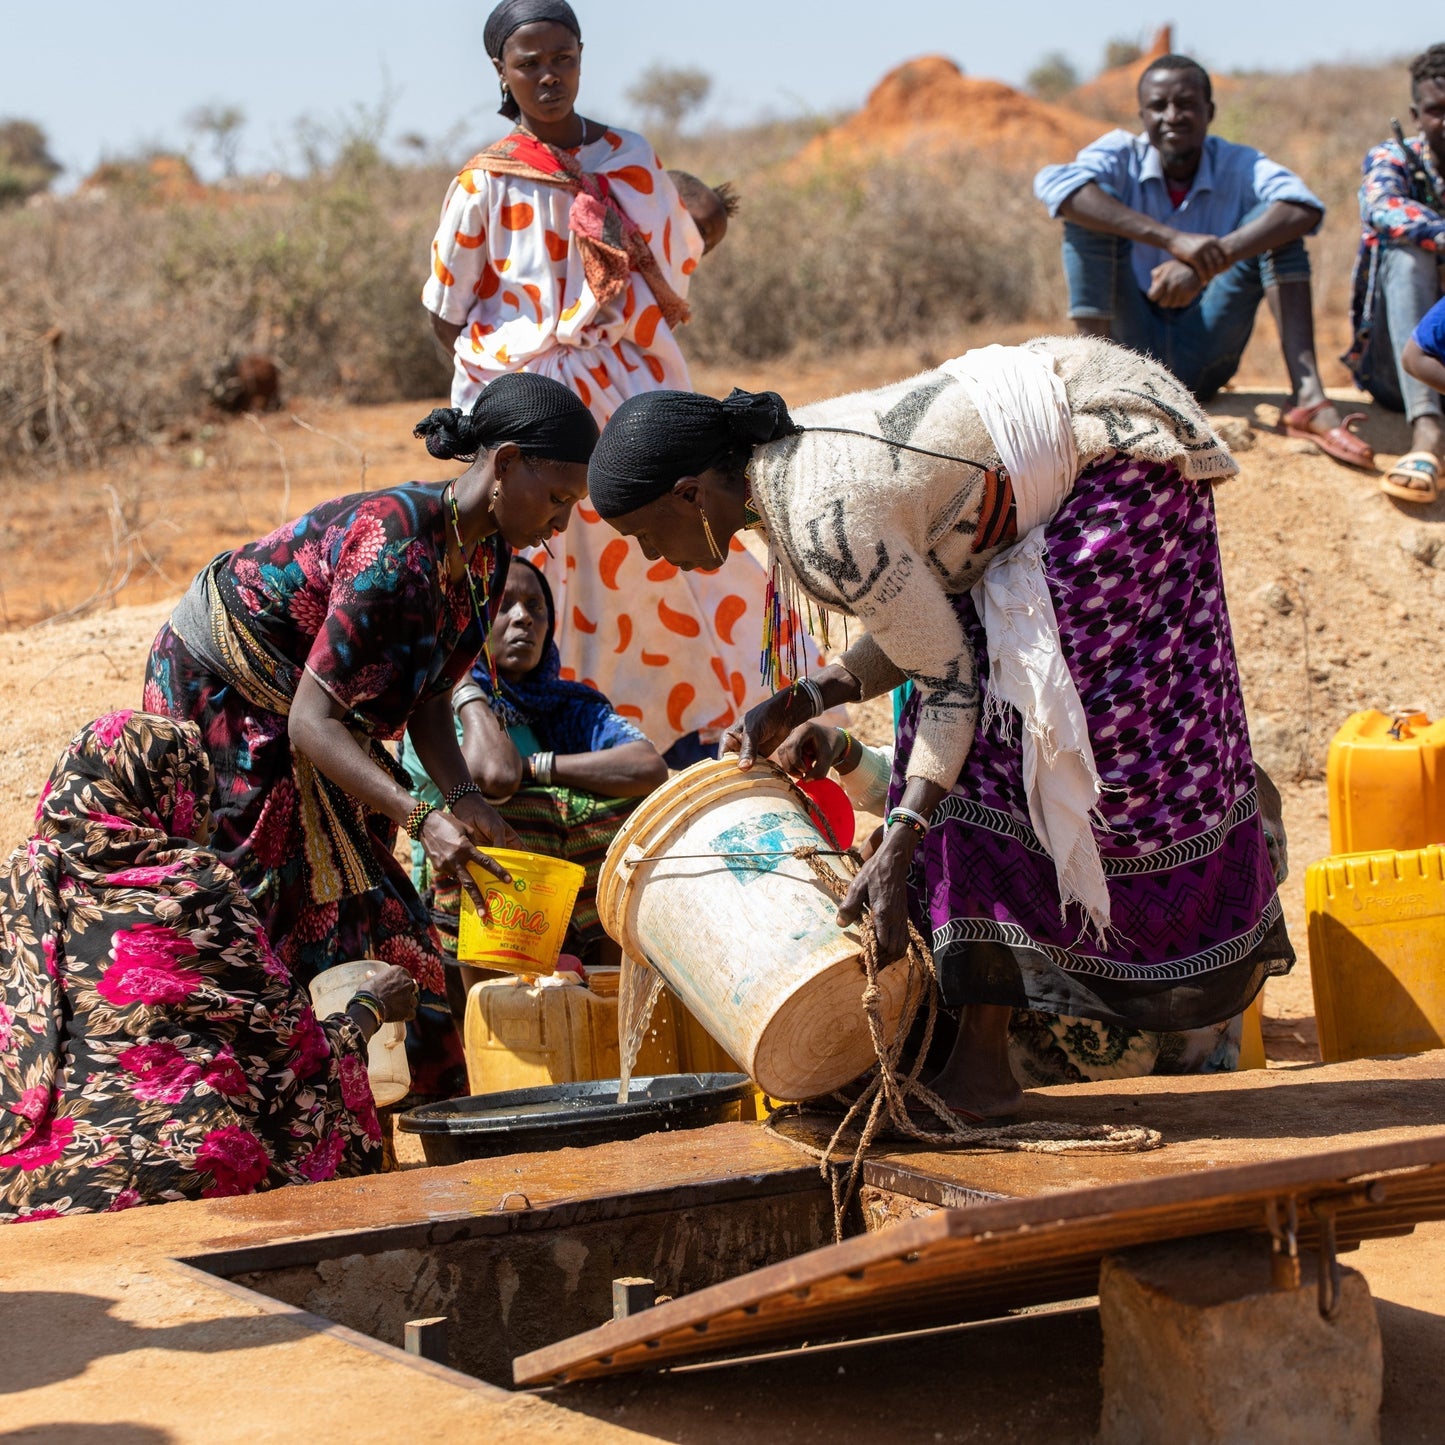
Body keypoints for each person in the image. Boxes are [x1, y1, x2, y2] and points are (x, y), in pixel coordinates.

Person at [585, 336, 1292, 1122]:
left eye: (645, 534)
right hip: (1080, 439)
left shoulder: (822, 517)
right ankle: (980, 1052)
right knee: (968, 708)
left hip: (1123, 457)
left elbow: (948, 681)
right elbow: (927, 610)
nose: (655, 556)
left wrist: (901, 836)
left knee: (996, 732)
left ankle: (985, 1067)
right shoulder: (781, 479)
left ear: (690, 495)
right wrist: (812, 692)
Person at [142, 373, 597, 1100]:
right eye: (557, 499)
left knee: (375, 902)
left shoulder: (487, 558)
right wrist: (420, 816)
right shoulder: (395, 551)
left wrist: (464, 795)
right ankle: (243, 1095)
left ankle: (407, 1100)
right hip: (228, 690)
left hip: (309, 709)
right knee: (260, 892)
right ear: (506, 463)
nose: (561, 522)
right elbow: (308, 723)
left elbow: (431, 693)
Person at [420, 0, 805, 762]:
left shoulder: (628, 156)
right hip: (531, 415)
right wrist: (501, 399)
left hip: (627, 395)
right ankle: (533, 742)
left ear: (581, 56)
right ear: (501, 72)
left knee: (656, 564)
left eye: (561, 57)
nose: (547, 75)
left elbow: (676, 259)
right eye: (528, 63)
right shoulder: (482, 183)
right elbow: (447, 314)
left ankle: (676, 737)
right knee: (537, 572)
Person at [0, 714, 418, 1221]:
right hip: (172, 1174)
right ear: (168, 798)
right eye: (199, 800)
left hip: (22, 1188)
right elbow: (289, 1060)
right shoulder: (190, 889)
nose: (207, 822)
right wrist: (370, 1008)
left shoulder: (16, 890)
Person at [773, 719, 1291, 1083]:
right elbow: (947, 771)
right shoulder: (1165, 724)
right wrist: (849, 755)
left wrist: (907, 836)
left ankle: (980, 1073)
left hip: (1144, 1065)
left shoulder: (1188, 772)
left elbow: (967, 784)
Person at [1034, 54, 1371, 471]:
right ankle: (1091, 389)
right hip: (1126, 348)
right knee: (1086, 218)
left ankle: (1306, 397)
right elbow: (1057, 186)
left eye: (1186, 104)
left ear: (1209, 111)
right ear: (1142, 114)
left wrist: (1206, 263)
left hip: (1206, 347)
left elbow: (1302, 206)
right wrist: (1174, 240)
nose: (1172, 116)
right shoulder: (1120, 152)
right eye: (1158, 106)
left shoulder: (1236, 163)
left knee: (1278, 234)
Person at [399, 556, 666, 971]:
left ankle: (609, 992)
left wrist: (537, 767)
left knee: (636, 816)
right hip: (467, 916)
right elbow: (496, 776)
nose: (523, 618)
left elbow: (647, 766)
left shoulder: (566, 705)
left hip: (559, 907)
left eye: (535, 607)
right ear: (471, 623)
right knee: (505, 820)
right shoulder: (439, 706)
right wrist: (463, 682)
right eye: (502, 606)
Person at [1344, 44, 1445, 502]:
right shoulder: (1394, 158)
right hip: (1400, 365)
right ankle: (1427, 431)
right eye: (1437, 111)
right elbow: (1383, 208)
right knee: (1407, 254)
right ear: (1416, 114)